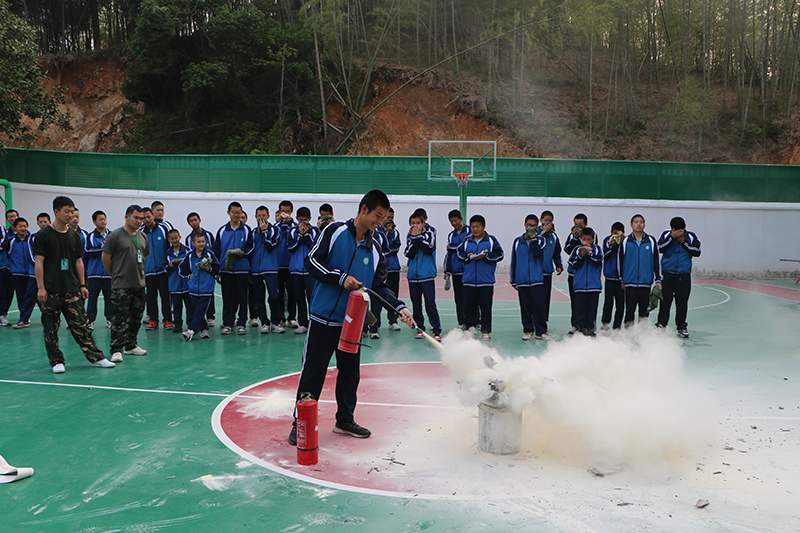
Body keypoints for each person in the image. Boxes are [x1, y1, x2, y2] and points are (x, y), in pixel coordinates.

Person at [288, 190, 414, 445]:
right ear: (364, 209)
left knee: (350, 374)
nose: (380, 221)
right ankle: (300, 422)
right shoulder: (334, 231)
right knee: (313, 372)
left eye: (384, 217)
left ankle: (344, 420)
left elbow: (379, 286)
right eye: (378, 215)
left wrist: (399, 306)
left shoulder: (376, 250)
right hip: (323, 319)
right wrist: (340, 277)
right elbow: (312, 261)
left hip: (352, 324)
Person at [33, 196, 114, 373]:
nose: (70, 215)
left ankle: (96, 358)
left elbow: (79, 261)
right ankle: (56, 361)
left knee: (81, 326)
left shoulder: (74, 235)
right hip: (51, 290)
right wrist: (41, 287)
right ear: (56, 212)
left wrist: (82, 285)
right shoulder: (43, 235)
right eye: (67, 211)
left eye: (72, 212)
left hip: (72, 289)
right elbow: (39, 262)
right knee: (51, 328)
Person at [102, 205, 150, 363]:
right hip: (121, 284)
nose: (139, 221)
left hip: (139, 283)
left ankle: (131, 345)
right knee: (119, 318)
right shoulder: (115, 236)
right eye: (136, 217)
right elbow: (106, 258)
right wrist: (115, 274)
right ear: (126, 217)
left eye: (141, 218)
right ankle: (116, 349)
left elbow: (144, 256)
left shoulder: (142, 236)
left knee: (136, 316)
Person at [457, 214, 504, 341]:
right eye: (473, 227)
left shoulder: (491, 240)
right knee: (469, 308)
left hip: (486, 282)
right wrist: (468, 257)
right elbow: (459, 254)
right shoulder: (467, 241)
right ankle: (470, 330)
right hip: (469, 281)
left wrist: (486, 256)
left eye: (478, 226)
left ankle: (486, 331)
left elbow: (500, 254)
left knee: (485, 308)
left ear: (484, 226)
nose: (475, 229)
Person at [656, 217, 701, 338]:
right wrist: (672, 237)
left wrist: (684, 242)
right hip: (667, 273)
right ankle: (661, 324)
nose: (679, 232)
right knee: (665, 300)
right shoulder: (666, 235)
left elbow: (697, 251)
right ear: (672, 228)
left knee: (682, 301)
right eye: (676, 230)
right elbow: (659, 248)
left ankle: (681, 326)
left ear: (685, 227)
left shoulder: (690, 236)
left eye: (681, 230)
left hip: (684, 274)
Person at [213, 201, 253, 335]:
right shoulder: (222, 231)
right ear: (228, 212)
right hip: (226, 271)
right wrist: (218, 270)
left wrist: (241, 252)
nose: (236, 215)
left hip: (242, 269)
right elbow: (217, 251)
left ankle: (242, 323)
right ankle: (228, 323)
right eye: (234, 212)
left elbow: (250, 247)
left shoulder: (247, 230)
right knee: (228, 298)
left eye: (238, 212)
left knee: (243, 297)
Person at [510, 214, 550, 341]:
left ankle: (541, 331)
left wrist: (533, 239)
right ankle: (528, 330)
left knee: (539, 307)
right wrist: (513, 280)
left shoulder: (541, 240)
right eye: (529, 225)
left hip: (536, 280)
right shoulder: (518, 241)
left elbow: (538, 254)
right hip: (522, 280)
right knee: (525, 307)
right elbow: (514, 261)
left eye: (533, 226)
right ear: (524, 225)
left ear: (537, 226)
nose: (531, 228)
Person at [405, 208, 441, 341]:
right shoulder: (409, 235)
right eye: (413, 223)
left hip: (427, 275)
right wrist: (414, 238)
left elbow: (429, 249)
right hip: (413, 276)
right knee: (416, 304)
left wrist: (419, 237)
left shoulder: (431, 232)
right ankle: (419, 328)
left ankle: (436, 330)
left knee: (430, 303)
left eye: (418, 223)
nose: (415, 226)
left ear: (423, 223)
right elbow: (409, 253)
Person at [619, 214, 662, 326]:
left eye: (641, 222)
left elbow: (656, 261)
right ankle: (628, 333)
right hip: (630, 283)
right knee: (629, 311)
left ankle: (643, 333)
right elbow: (620, 261)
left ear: (644, 225)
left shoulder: (651, 241)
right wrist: (621, 279)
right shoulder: (625, 241)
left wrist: (658, 279)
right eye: (636, 222)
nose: (639, 224)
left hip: (645, 283)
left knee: (644, 313)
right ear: (631, 225)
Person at [249, 205, 283, 334]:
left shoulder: (275, 230)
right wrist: (250, 270)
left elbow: (271, 245)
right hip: (256, 270)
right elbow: (250, 250)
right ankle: (264, 322)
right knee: (259, 297)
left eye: (263, 216)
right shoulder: (253, 232)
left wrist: (264, 232)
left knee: (273, 296)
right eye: (259, 216)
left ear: (268, 216)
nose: (261, 218)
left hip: (270, 268)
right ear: (255, 217)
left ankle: (275, 322)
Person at [180, 233, 220, 341]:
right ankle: (204, 329)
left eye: (203, 241)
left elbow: (217, 269)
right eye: (199, 242)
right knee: (196, 310)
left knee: (200, 310)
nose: (201, 244)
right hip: (193, 289)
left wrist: (208, 269)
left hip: (206, 289)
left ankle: (191, 331)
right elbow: (182, 269)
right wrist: (189, 276)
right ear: (193, 243)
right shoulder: (189, 256)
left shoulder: (210, 254)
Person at [369, 207, 401, 335]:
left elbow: (394, 249)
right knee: (376, 297)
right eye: (388, 217)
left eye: (392, 218)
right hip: (379, 270)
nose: (390, 220)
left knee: (393, 294)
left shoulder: (395, 233)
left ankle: (393, 320)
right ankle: (374, 327)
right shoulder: (375, 232)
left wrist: (389, 233)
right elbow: (379, 250)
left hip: (393, 268)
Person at [287, 206, 319, 335]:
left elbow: (315, 248)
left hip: (311, 272)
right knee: (299, 298)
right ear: (296, 219)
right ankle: (303, 323)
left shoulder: (315, 231)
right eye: (300, 220)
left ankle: (314, 323)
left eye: (305, 220)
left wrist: (306, 235)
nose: (303, 223)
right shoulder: (292, 231)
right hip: (295, 270)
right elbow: (291, 248)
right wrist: (300, 235)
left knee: (313, 298)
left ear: (310, 219)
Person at [563, 213, 596, 334]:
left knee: (588, 304)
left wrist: (581, 240)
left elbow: (591, 249)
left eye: (580, 225)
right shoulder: (572, 235)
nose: (578, 227)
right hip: (574, 274)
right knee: (575, 301)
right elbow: (567, 249)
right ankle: (575, 324)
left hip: (587, 276)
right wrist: (575, 238)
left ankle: (588, 327)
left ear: (585, 224)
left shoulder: (591, 235)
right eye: (576, 224)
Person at [568, 227, 603, 337]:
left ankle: (591, 331)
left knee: (592, 310)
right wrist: (581, 256)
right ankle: (582, 330)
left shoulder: (597, 249)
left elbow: (598, 260)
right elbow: (572, 265)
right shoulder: (576, 249)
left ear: (593, 239)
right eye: (584, 239)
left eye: (589, 239)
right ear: (581, 239)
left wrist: (589, 252)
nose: (586, 242)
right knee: (580, 311)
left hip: (594, 286)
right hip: (580, 286)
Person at [141, 207, 173, 330]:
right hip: (148, 271)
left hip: (163, 271)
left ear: (153, 216)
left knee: (165, 296)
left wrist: (168, 265)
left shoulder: (164, 229)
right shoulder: (140, 233)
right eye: (144, 218)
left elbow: (170, 248)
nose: (147, 219)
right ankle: (153, 320)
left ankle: (167, 320)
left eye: (148, 216)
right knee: (151, 297)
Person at [3, 218, 37, 328]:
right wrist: (12, 268)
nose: (23, 228)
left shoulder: (31, 240)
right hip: (17, 273)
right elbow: (7, 255)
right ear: (15, 228)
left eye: (25, 226)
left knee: (36, 296)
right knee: (21, 296)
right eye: (20, 226)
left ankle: (46, 317)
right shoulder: (11, 241)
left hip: (31, 273)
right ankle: (24, 318)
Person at [185, 211, 216, 327]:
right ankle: (199, 321)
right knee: (196, 297)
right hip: (196, 273)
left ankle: (210, 316)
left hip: (208, 272)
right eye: (191, 221)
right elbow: (188, 256)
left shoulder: (209, 235)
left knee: (209, 294)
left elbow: (214, 251)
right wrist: (189, 273)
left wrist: (212, 269)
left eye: (195, 220)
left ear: (199, 220)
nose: (194, 222)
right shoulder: (188, 239)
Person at [85, 210, 113, 329]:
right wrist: (103, 248)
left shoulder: (112, 235)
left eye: (104, 219)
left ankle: (110, 319)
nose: (103, 221)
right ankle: (90, 320)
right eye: (100, 219)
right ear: (94, 222)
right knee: (92, 299)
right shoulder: (91, 236)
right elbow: (88, 251)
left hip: (109, 273)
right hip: (94, 274)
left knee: (110, 298)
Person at [443, 209, 469, 330]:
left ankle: (475, 321)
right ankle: (462, 322)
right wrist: (447, 271)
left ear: (461, 219)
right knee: (459, 298)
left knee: (470, 297)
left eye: (455, 220)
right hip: (456, 272)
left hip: (468, 271)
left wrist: (452, 247)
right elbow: (449, 254)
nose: (454, 223)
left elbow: (466, 247)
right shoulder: (451, 235)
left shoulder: (469, 231)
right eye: (451, 221)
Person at [275, 200, 298, 328]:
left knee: (292, 293)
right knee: (278, 293)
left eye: (287, 211)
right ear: (279, 212)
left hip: (291, 266)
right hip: (278, 265)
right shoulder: (274, 227)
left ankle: (292, 317)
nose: (285, 213)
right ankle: (280, 317)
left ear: (291, 212)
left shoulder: (296, 227)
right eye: (283, 211)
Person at [600, 221, 626, 331]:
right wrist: (614, 244)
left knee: (620, 304)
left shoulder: (626, 241)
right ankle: (605, 324)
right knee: (608, 302)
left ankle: (617, 326)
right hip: (610, 277)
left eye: (618, 234)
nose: (616, 236)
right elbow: (606, 254)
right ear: (611, 232)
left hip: (622, 279)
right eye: (614, 233)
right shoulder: (607, 240)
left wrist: (621, 242)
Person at [539, 210, 563, 322]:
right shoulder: (536, 234)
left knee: (545, 298)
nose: (548, 223)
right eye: (545, 221)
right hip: (536, 272)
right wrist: (543, 232)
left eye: (550, 221)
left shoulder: (554, 236)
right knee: (536, 298)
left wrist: (559, 265)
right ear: (541, 220)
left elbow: (556, 253)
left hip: (547, 272)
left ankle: (543, 320)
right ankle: (534, 320)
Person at [166, 229, 190, 333]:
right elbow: (165, 268)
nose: (174, 240)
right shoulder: (167, 253)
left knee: (190, 307)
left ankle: (190, 324)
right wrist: (170, 266)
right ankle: (178, 324)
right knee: (177, 307)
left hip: (187, 285)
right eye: (172, 238)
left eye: (176, 238)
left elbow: (191, 265)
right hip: (174, 285)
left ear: (179, 237)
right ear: (169, 240)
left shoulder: (187, 251)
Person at [0, 217, 12, 327]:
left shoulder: (1, 228)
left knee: (3, 291)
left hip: (2, 266)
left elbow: (4, 244)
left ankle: (2, 315)